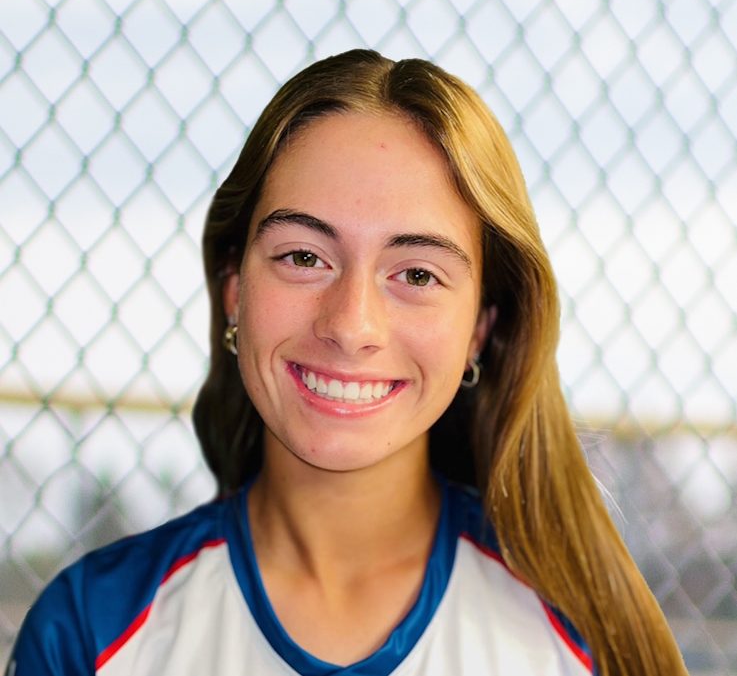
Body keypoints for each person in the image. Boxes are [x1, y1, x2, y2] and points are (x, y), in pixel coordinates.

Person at [7, 50, 687, 676]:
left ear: (480, 329)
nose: (350, 325)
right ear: (235, 290)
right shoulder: (91, 633)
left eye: (416, 274)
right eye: (304, 257)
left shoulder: (580, 638)